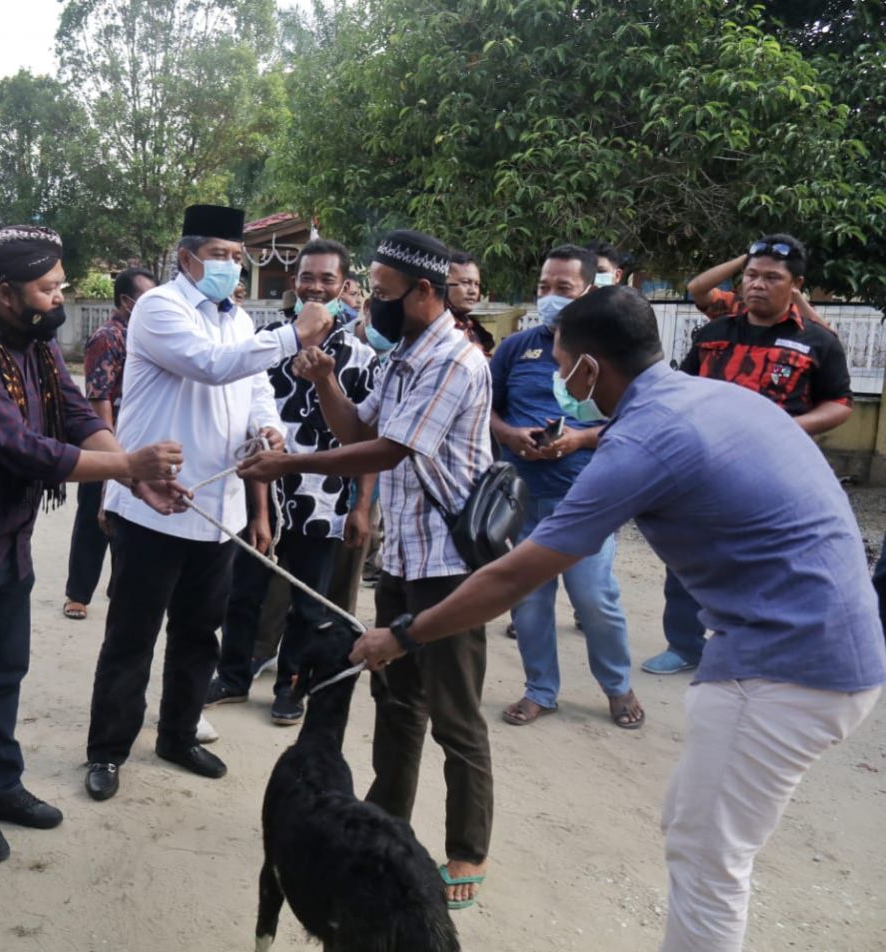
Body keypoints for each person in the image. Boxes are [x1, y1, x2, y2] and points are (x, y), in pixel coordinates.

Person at [351, 285, 885, 952]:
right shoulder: (706, 394)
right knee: (698, 835)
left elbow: (515, 574)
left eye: (558, 362)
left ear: (588, 370)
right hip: (833, 649)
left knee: (706, 859)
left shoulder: (643, 444)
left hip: (785, 670)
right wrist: (583, 437)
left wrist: (401, 634)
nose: (554, 377)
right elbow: (642, 438)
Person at [239, 228, 495, 910]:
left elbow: (385, 453)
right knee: (394, 698)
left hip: (449, 565)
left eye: (379, 296)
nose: (367, 308)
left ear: (424, 293)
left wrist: (287, 463)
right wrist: (324, 380)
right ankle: (388, 821)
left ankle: (466, 846)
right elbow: (353, 431)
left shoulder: (454, 362)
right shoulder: (404, 353)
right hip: (406, 558)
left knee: (456, 713)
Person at [0, 226, 185, 863]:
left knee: (7, 669)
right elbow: (24, 448)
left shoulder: (34, 347)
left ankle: (2, 785)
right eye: (47, 288)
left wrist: (130, 470)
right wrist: (131, 468)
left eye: (60, 285)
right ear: (3, 292)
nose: (59, 296)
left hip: (10, 536)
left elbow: (76, 416)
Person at [84, 204, 333, 801]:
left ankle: (176, 734)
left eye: (235, 256)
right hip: (153, 504)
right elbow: (212, 366)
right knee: (132, 635)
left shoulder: (238, 320)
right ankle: (107, 750)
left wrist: (268, 430)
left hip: (217, 512)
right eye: (219, 255)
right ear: (187, 257)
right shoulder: (160, 308)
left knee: (199, 634)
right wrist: (293, 333)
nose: (229, 266)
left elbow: (253, 390)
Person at [643, 234, 854, 676]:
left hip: (774, 473)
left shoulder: (818, 341)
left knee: (765, 563)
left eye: (771, 277)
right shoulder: (716, 330)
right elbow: (684, 388)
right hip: (703, 467)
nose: (757, 284)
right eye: (752, 276)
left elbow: (839, 403)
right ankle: (684, 646)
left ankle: (757, 649)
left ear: (795, 284)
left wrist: (790, 427)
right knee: (687, 558)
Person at [205, 238, 378, 725]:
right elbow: (251, 432)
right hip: (260, 496)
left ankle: (291, 688)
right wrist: (260, 512)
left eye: (327, 279)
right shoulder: (264, 345)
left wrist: (361, 506)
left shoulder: (362, 359)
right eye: (307, 277)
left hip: (324, 505)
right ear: (294, 282)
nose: (316, 287)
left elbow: (370, 442)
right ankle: (233, 675)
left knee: (308, 603)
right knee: (242, 593)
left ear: (345, 286)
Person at [489, 244, 641, 729]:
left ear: (589, 291)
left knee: (595, 600)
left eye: (564, 288)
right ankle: (540, 690)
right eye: (543, 287)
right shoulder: (517, 347)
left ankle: (617, 687)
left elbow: (634, 420)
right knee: (529, 601)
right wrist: (510, 434)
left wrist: (579, 439)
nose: (551, 297)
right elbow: (485, 408)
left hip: (585, 499)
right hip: (521, 499)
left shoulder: (613, 354)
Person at [64, 266, 158, 621]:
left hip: (139, 436)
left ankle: (121, 590)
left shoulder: (146, 334)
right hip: (106, 438)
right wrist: (111, 452)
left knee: (128, 519)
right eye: (146, 298)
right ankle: (78, 594)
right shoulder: (108, 337)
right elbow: (99, 398)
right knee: (93, 518)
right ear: (126, 301)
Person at [446, 250, 494, 354]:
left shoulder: (473, 328)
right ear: (443, 284)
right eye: (465, 282)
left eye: (476, 284)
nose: (473, 291)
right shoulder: (438, 325)